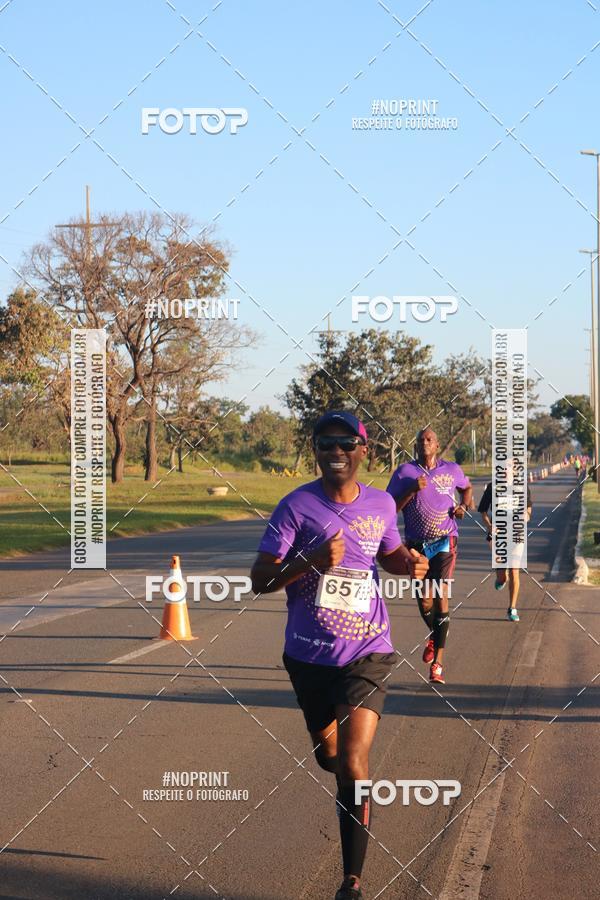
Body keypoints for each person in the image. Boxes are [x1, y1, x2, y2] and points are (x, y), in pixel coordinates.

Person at [250, 410, 428, 900]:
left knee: (353, 760)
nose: (336, 451)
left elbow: (387, 553)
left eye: (346, 443)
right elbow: (258, 580)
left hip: (368, 651)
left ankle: (352, 879)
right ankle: (339, 772)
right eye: (325, 443)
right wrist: (308, 561)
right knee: (328, 757)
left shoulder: (381, 505)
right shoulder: (294, 507)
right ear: (316, 450)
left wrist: (407, 563)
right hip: (308, 656)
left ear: (362, 450)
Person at [386, 427, 472, 685]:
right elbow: (389, 509)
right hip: (416, 545)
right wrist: (412, 490)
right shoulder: (404, 473)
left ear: (437, 445)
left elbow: (467, 489)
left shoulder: (451, 470)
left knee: (441, 597)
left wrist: (463, 506)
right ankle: (436, 636)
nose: (424, 443)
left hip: (445, 540)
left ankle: (438, 666)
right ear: (415, 446)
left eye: (429, 440)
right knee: (425, 602)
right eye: (420, 440)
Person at [478, 481, 532, 621]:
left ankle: (512, 608)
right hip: (499, 534)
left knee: (515, 570)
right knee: (502, 576)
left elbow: (528, 507)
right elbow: (483, 510)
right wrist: (489, 526)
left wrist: (526, 515)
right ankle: (501, 578)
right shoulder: (492, 486)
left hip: (516, 533)